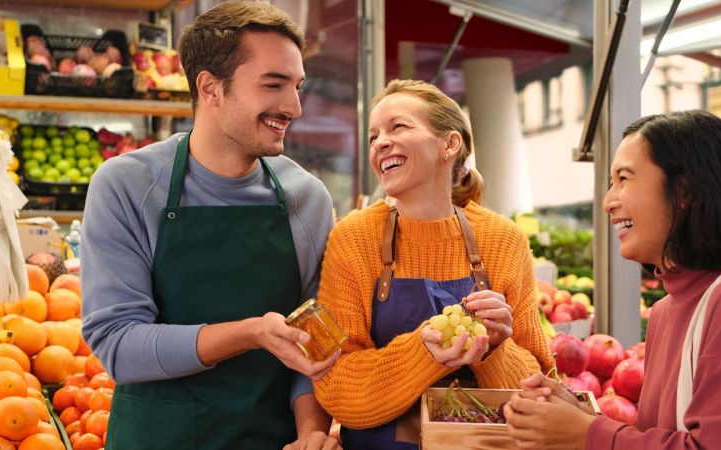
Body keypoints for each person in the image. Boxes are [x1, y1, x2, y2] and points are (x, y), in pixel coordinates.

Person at [80, 3, 341, 449]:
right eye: (273, 85)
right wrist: (249, 332)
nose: (294, 106)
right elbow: (119, 346)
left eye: (297, 86)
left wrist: (311, 434)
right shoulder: (126, 185)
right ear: (210, 87)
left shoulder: (308, 198)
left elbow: (311, 350)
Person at [504, 110, 721, 450]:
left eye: (624, 179)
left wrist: (587, 434)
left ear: (684, 192)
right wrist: (580, 417)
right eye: (610, 184)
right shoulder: (665, 310)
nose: (608, 201)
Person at [312, 80, 554, 449]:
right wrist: (424, 353)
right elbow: (334, 383)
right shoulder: (354, 238)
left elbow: (543, 385)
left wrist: (494, 350)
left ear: (449, 144)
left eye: (399, 127)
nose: (380, 143)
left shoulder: (504, 240)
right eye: (374, 136)